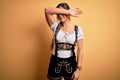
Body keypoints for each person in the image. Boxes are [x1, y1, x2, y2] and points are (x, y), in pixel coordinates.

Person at [45, 2, 84, 80]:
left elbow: (80, 49)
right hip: (55, 62)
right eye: (58, 13)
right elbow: (47, 10)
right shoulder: (55, 26)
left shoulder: (77, 29)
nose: (59, 15)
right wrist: (68, 12)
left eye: (62, 12)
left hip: (71, 63)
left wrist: (78, 69)